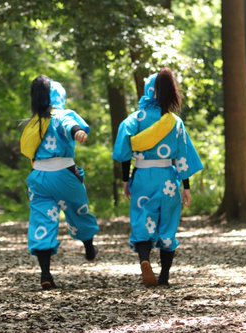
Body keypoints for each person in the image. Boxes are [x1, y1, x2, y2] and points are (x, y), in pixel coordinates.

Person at [112, 68, 203, 287]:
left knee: (142, 219)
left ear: (147, 90)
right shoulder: (174, 122)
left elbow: (124, 152)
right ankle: (164, 276)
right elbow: (182, 156)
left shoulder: (135, 119)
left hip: (142, 177)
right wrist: (186, 187)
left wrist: (126, 180)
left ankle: (144, 260)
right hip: (168, 178)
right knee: (168, 225)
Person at [20, 76, 99, 290]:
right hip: (64, 175)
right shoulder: (62, 115)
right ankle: (88, 245)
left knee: (41, 221)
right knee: (78, 210)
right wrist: (77, 131)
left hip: (38, 178)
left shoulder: (34, 122)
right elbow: (69, 125)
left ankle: (45, 274)